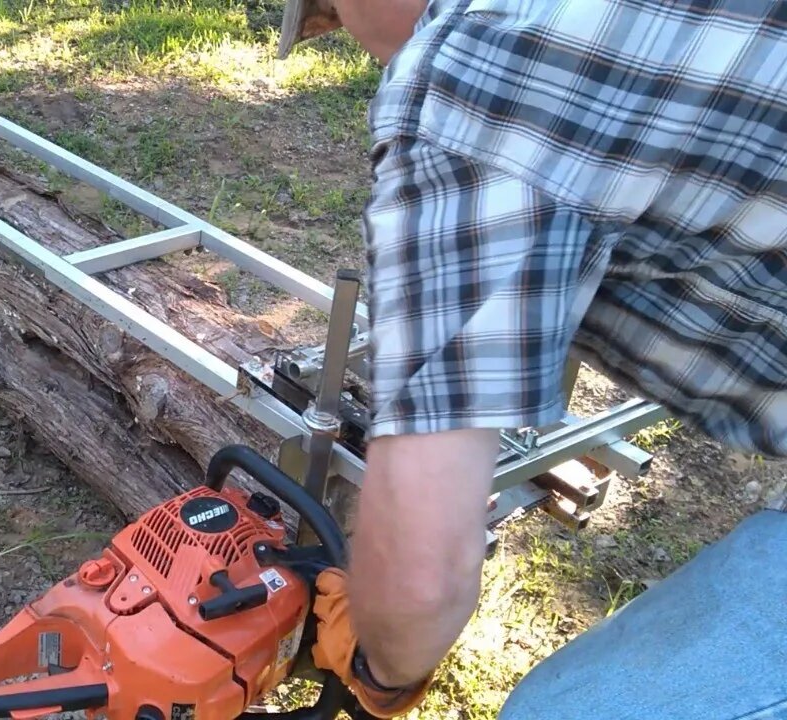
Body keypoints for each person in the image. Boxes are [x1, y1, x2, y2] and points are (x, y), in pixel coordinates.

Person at [285, 0, 787, 716]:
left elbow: (424, 581)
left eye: (333, 13)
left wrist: (379, 668)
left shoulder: (482, 71)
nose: (371, 55)